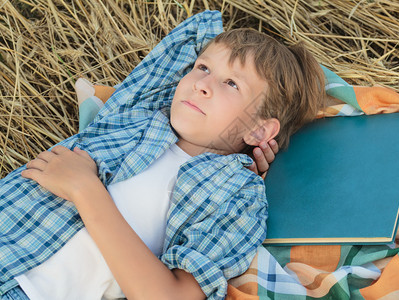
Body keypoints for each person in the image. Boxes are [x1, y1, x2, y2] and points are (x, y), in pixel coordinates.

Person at [0, 11, 325, 300]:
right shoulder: (138, 111)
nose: (202, 84)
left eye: (231, 83)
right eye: (202, 67)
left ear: (259, 130)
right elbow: (196, 29)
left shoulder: (237, 197)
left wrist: (85, 191)